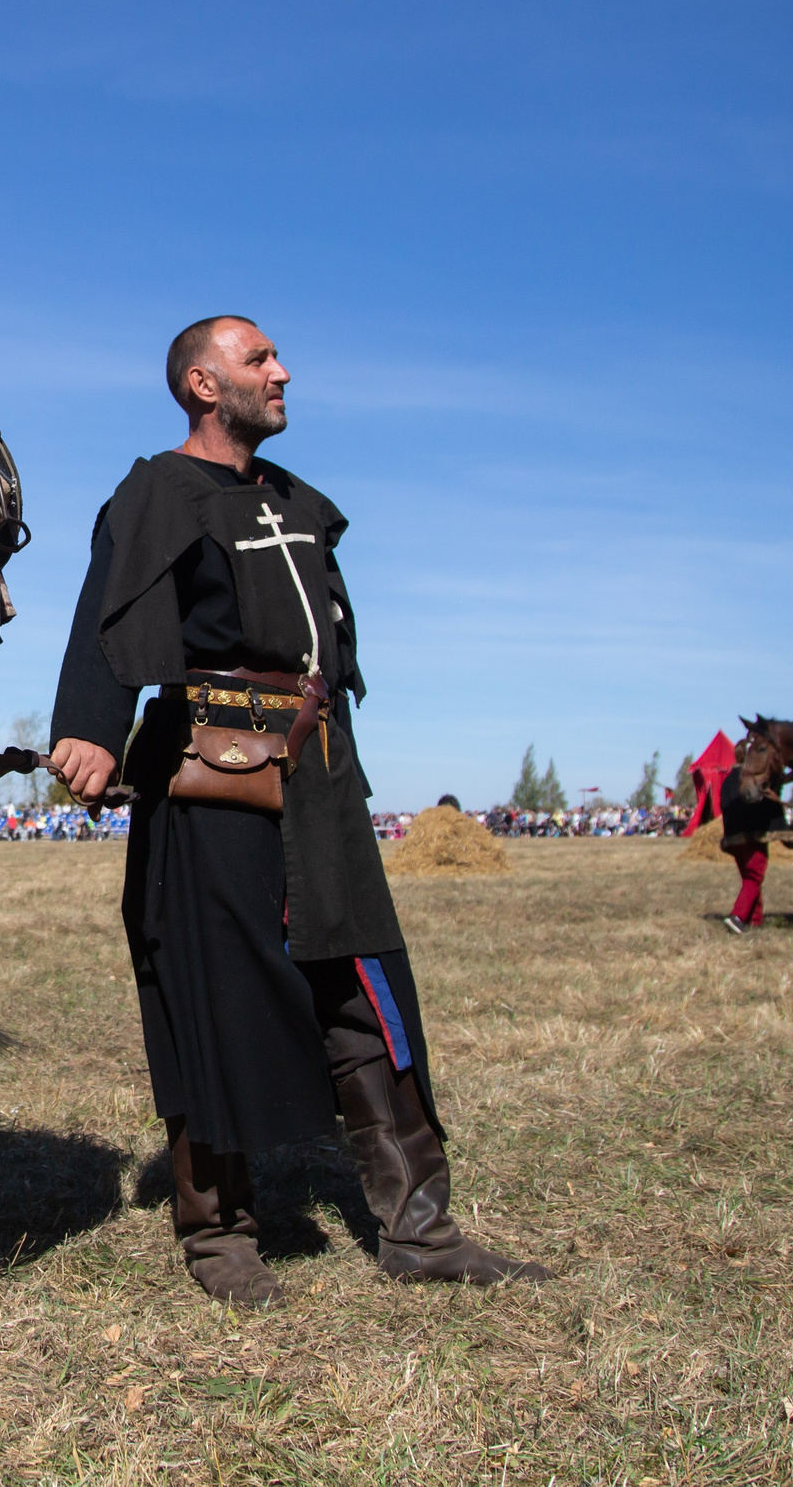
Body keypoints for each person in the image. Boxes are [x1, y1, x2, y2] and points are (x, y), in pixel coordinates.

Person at [45, 314, 549, 1308]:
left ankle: (418, 1227)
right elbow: (106, 611)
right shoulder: (156, 494)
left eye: (275, 358)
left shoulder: (294, 502)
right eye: (258, 359)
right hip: (209, 772)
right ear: (203, 384)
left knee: (366, 985)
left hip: (319, 774)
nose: (282, 372)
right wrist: (92, 728)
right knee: (213, 988)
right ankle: (219, 1234)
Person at [718, 739, 788, 934]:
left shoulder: (728, 780)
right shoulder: (752, 779)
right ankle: (738, 917)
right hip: (752, 835)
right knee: (754, 877)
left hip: (734, 837)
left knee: (749, 879)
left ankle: (755, 919)